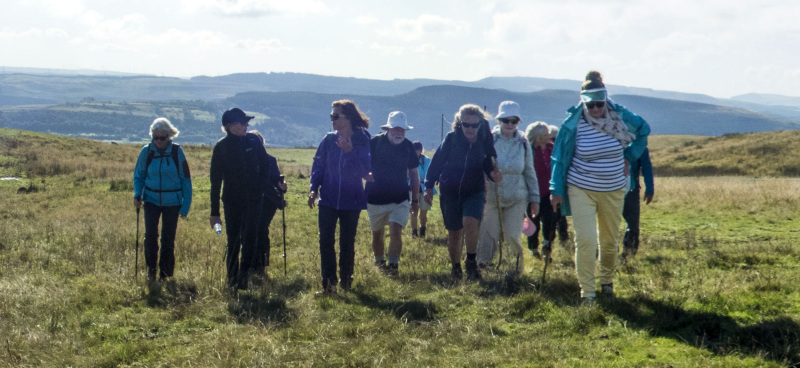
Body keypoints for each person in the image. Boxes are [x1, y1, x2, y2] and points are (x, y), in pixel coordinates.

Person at [550, 71, 650, 304]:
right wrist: (556, 189)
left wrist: (629, 156)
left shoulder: (621, 117)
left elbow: (643, 132)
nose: (595, 109)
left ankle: (606, 281)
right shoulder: (573, 124)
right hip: (580, 187)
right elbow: (559, 157)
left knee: (609, 240)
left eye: (599, 104)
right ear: (582, 101)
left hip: (614, 189)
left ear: (606, 99)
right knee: (585, 240)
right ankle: (587, 292)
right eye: (590, 104)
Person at [424, 104, 501, 281]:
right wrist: (428, 186)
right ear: (460, 124)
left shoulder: (485, 139)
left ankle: (471, 262)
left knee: (470, 221)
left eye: (474, 125)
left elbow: (489, 161)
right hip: (450, 191)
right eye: (466, 125)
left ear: (480, 124)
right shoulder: (452, 139)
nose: (470, 129)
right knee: (455, 232)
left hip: (474, 190)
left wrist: (492, 173)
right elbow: (437, 162)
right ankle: (456, 267)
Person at [308, 100, 371, 295]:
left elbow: (365, 171)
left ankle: (346, 283)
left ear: (348, 118)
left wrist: (349, 152)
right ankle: (328, 285)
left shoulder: (362, 139)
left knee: (347, 242)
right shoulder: (327, 140)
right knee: (325, 241)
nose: (332, 120)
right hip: (327, 199)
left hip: (351, 200)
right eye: (331, 116)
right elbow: (318, 165)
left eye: (336, 116)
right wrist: (313, 189)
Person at [209, 108, 274, 291]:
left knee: (250, 238)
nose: (247, 125)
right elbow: (215, 182)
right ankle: (232, 279)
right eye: (243, 122)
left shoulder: (254, 141)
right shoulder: (221, 148)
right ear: (230, 127)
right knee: (234, 240)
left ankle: (244, 278)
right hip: (231, 202)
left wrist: (260, 190)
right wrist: (214, 212)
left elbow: (266, 165)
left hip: (254, 201)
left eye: (247, 122)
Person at [476, 101, 539, 272]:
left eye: (513, 121)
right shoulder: (489, 140)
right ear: (499, 121)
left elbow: (529, 172)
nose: (509, 124)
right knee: (489, 234)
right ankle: (483, 268)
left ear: (518, 122)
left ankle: (515, 271)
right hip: (492, 197)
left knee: (512, 236)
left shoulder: (524, 143)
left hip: (517, 198)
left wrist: (534, 199)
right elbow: (481, 167)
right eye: (506, 120)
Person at [133, 118, 192, 284]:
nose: (159, 141)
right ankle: (151, 271)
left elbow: (186, 180)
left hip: (173, 202)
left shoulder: (177, 152)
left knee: (168, 239)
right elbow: (139, 176)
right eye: (156, 137)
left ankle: (165, 275)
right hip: (151, 199)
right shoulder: (146, 152)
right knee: (150, 236)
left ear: (169, 136)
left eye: (162, 138)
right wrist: (138, 193)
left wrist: (185, 206)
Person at [365, 111, 419, 277]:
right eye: (396, 129)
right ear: (388, 129)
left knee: (396, 230)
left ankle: (393, 267)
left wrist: (415, 200)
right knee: (377, 233)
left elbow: (414, 174)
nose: (399, 133)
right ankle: (379, 262)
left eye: (402, 130)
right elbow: (361, 164)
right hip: (375, 198)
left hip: (400, 198)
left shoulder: (408, 147)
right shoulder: (374, 143)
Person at [249, 130, 288, 280]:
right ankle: (255, 263)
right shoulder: (249, 159)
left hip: (268, 202)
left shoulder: (270, 160)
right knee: (255, 229)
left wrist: (283, 186)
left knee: (260, 229)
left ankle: (259, 264)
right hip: (258, 200)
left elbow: (277, 182)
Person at [524, 121, 558, 260]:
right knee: (533, 224)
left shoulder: (552, 148)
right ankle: (533, 248)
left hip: (549, 193)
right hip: (532, 193)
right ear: (537, 137)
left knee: (550, 220)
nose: (549, 136)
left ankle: (547, 245)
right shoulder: (529, 151)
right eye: (545, 134)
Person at [622, 148, 654, 258]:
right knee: (631, 223)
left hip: (631, 189)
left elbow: (646, 167)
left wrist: (649, 189)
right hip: (614, 189)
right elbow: (647, 167)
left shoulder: (640, 146)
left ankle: (628, 254)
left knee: (632, 224)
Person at [549, 124, 570, 245]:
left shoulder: (562, 153)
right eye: (551, 139)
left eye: (555, 140)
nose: (553, 143)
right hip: (545, 189)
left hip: (559, 188)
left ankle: (564, 240)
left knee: (561, 216)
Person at [410, 141, 434, 238]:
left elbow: (429, 173)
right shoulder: (408, 160)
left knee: (423, 213)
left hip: (424, 188)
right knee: (413, 211)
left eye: (417, 150)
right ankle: (414, 232)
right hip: (412, 188)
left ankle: (422, 230)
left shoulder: (427, 160)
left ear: (420, 150)